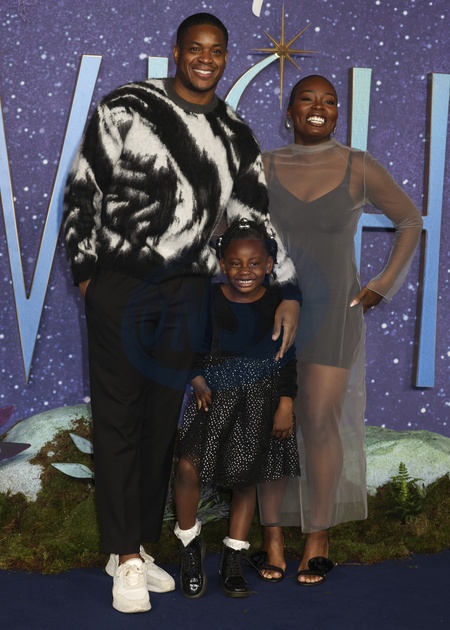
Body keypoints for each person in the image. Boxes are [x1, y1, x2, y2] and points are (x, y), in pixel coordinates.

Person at [62, 13, 300, 613]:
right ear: (176, 52)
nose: (205, 59)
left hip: (187, 290)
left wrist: (289, 288)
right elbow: (84, 189)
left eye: (216, 51)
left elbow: (256, 219)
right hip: (122, 284)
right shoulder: (126, 106)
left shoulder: (235, 133)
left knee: (158, 425)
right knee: (118, 420)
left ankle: (135, 545)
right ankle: (127, 559)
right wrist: (88, 275)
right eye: (195, 48)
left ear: (225, 58)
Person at [252, 75, 423, 586]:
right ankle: (271, 537)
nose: (319, 107)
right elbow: (226, 228)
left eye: (329, 101)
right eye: (307, 99)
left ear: (337, 114)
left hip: (333, 316)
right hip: (271, 315)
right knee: (271, 423)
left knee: (319, 419)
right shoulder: (262, 166)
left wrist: (381, 286)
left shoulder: (358, 165)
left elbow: (410, 220)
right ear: (289, 112)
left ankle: (318, 538)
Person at [173, 217, 300, 599]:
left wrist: (286, 403)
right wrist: (197, 378)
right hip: (213, 397)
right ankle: (189, 545)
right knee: (188, 467)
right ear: (222, 264)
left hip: (259, 400)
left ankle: (233, 557)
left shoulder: (278, 303)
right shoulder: (209, 299)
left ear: (270, 264)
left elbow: (285, 358)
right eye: (236, 263)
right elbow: (194, 348)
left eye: (255, 263)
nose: (245, 271)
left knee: (246, 479)